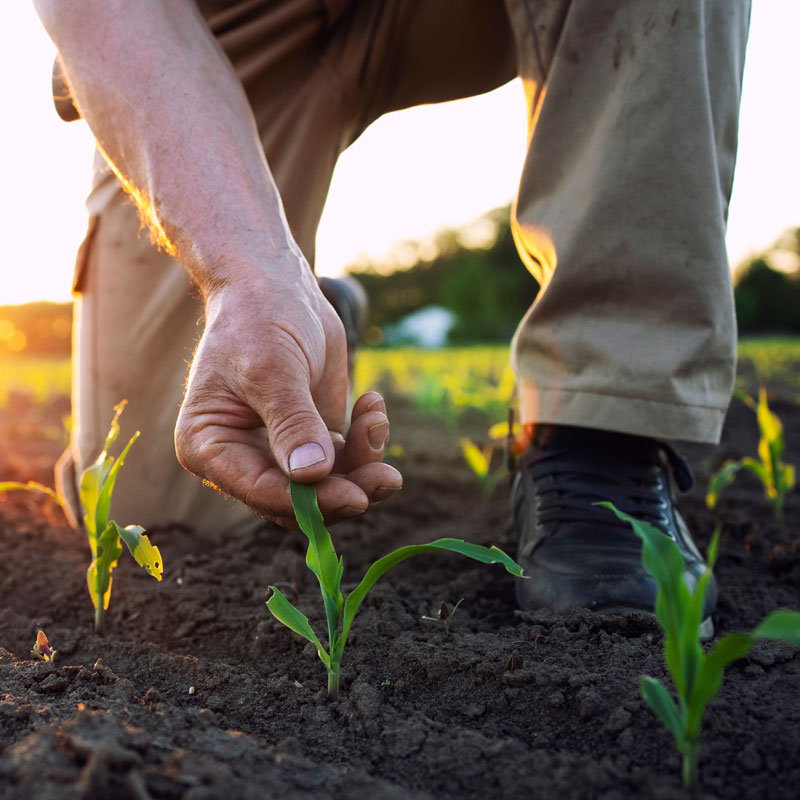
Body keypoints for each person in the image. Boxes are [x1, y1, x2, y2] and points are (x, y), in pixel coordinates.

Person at [35, 0, 751, 631]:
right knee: (163, 508)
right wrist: (244, 273)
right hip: (224, 19)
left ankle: (602, 431)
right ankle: (309, 311)